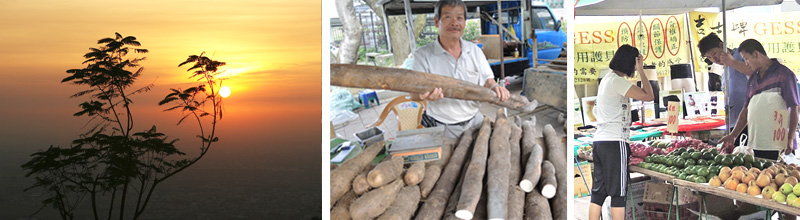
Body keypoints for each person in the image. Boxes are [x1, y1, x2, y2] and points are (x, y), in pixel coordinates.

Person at [719, 38, 799, 220]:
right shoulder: (753, 78)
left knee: (783, 189)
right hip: (757, 143)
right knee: (760, 190)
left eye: (746, 59)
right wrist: (733, 135)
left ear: (756, 54)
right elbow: (747, 110)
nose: (745, 63)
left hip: (778, 143)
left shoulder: (784, 74)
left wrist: (790, 136)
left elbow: (794, 107)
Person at [411, 0, 510, 140]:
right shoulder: (423, 55)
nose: (455, 23)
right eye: (448, 17)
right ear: (436, 21)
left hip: (474, 121)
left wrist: (495, 87)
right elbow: (414, 94)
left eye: (459, 18)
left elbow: (488, 80)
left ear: (464, 22)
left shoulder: (474, 51)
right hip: (441, 126)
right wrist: (423, 96)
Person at [589, 44, 654, 220]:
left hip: (600, 141)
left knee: (599, 191)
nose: (635, 68)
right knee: (618, 193)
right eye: (635, 64)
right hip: (614, 142)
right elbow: (649, 95)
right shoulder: (617, 81)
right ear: (630, 63)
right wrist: (642, 71)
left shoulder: (607, 79)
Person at [698, 33, 754, 146]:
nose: (714, 59)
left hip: (749, 121)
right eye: (709, 57)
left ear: (722, 45)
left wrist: (732, 62)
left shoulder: (739, 55)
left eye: (714, 53)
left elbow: (755, 73)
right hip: (734, 123)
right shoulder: (725, 70)